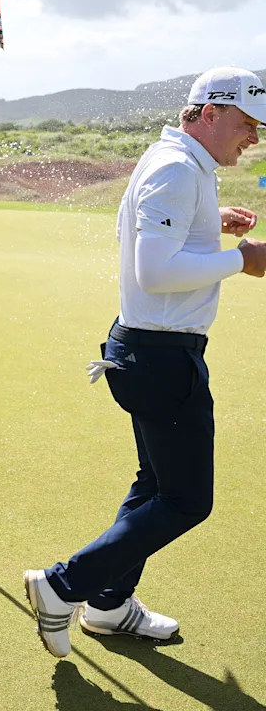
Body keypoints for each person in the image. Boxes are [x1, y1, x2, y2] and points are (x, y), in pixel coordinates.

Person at [24, 66, 266, 659]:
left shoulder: (178, 160)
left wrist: (211, 230)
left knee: (155, 484)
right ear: (209, 113)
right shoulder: (178, 167)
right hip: (160, 359)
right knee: (187, 501)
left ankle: (108, 605)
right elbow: (153, 272)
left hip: (146, 351)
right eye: (246, 124)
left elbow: (145, 240)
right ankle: (63, 586)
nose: (254, 138)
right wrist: (241, 259)